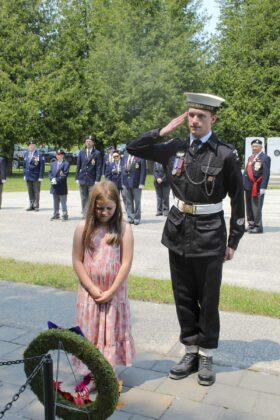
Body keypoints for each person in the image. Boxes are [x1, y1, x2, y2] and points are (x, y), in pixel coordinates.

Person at [126, 92, 245, 386]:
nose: (194, 120)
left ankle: (206, 354)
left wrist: (234, 240)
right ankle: (190, 350)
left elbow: (238, 199)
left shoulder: (225, 154)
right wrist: (162, 131)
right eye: (191, 115)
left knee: (208, 298)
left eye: (200, 116)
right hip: (177, 232)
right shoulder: (174, 149)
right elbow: (133, 147)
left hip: (210, 236)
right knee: (183, 297)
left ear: (212, 119)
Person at [72, 180, 135, 393]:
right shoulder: (83, 228)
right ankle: (91, 374)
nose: (105, 212)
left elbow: (126, 262)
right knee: (91, 333)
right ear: (92, 206)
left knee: (110, 333)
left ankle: (108, 374)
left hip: (114, 294)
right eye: (100, 208)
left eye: (109, 208)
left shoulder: (124, 229)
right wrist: (91, 287)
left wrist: (112, 290)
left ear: (117, 205)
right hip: (91, 295)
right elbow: (77, 261)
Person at [243, 139, 271, 233]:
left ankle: (258, 227)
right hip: (248, 186)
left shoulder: (265, 158)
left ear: (261, 147)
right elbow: (246, 172)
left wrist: (263, 187)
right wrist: (242, 184)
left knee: (256, 208)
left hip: (257, 187)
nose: (254, 148)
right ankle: (251, 224)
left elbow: (266, 174)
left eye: (256, 146)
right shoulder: (251, 158)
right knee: (249, 207)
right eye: (253, 146)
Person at [76, 135, 102, 216]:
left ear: (93, 143)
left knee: (92, 198)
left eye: (90, 141)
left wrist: (97, 179)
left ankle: (91, 214)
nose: (88, 142)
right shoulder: (81, 152)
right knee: (83, 198)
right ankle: (85, 214)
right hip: (82, 178)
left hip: (92, 179)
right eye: (87, 141)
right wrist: (77, 177)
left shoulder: (97, 153)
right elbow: (78, 165)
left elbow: (98, 167)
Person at [122, 152, 146, 225]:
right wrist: (123, 182)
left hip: (136, 183)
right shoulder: (125, 156)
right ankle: (130, 217)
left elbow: (143, 171)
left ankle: (137, 218)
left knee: (137, 201)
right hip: (127, 182)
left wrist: (142, 183)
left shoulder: (140, 156)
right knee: (128, 201)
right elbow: (123, 170)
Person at [23, 139, 45, 211]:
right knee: (30, 191)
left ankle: (36, 206)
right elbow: (24, 165)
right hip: (28, 175)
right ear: (28, 146)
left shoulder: (38, 154)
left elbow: (42, 165)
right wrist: (24, 174)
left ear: (35, 146)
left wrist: (41, 176)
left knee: (36, 191)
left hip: (36, 176)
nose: (31, 146)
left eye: (32, 145)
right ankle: (31, 204)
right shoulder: (26, 153)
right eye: (30, 145)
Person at [48, 149, 70, 221]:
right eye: (58, 155)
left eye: (60, 155)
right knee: (55, 201)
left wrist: (56, 180)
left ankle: (65, 215)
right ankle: (56, 214)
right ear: (56, 155)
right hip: (54, 185)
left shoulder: (66, 163)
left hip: (61, 185)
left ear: (63, 155)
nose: (59, 156)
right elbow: (50, 173)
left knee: (63, 201)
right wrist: (52, 179)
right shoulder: (53, 163)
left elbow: (64, 175)